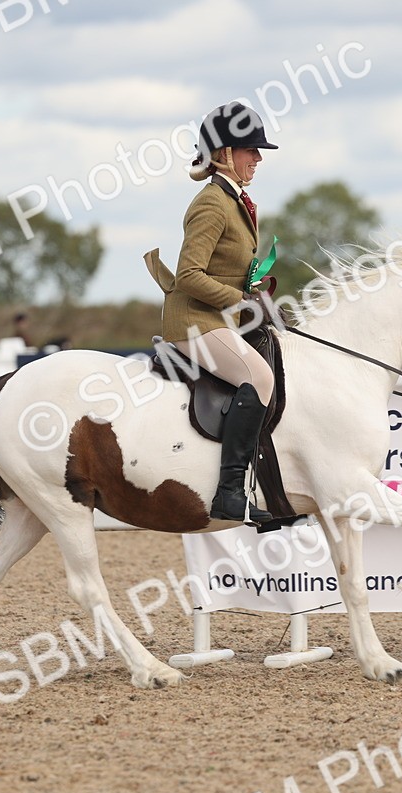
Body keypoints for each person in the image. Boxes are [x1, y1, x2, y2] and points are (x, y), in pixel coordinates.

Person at [160, 101, 278, 524]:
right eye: (251, 150)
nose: (258, 158)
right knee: (258, 375)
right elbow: (189, 274)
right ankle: (229, 493)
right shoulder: (211, 203)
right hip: (193, 320)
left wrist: (254, 289)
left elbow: (224, 269)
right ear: (226, 153)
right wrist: (240, 302)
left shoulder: (236, 201)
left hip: (218, 318)